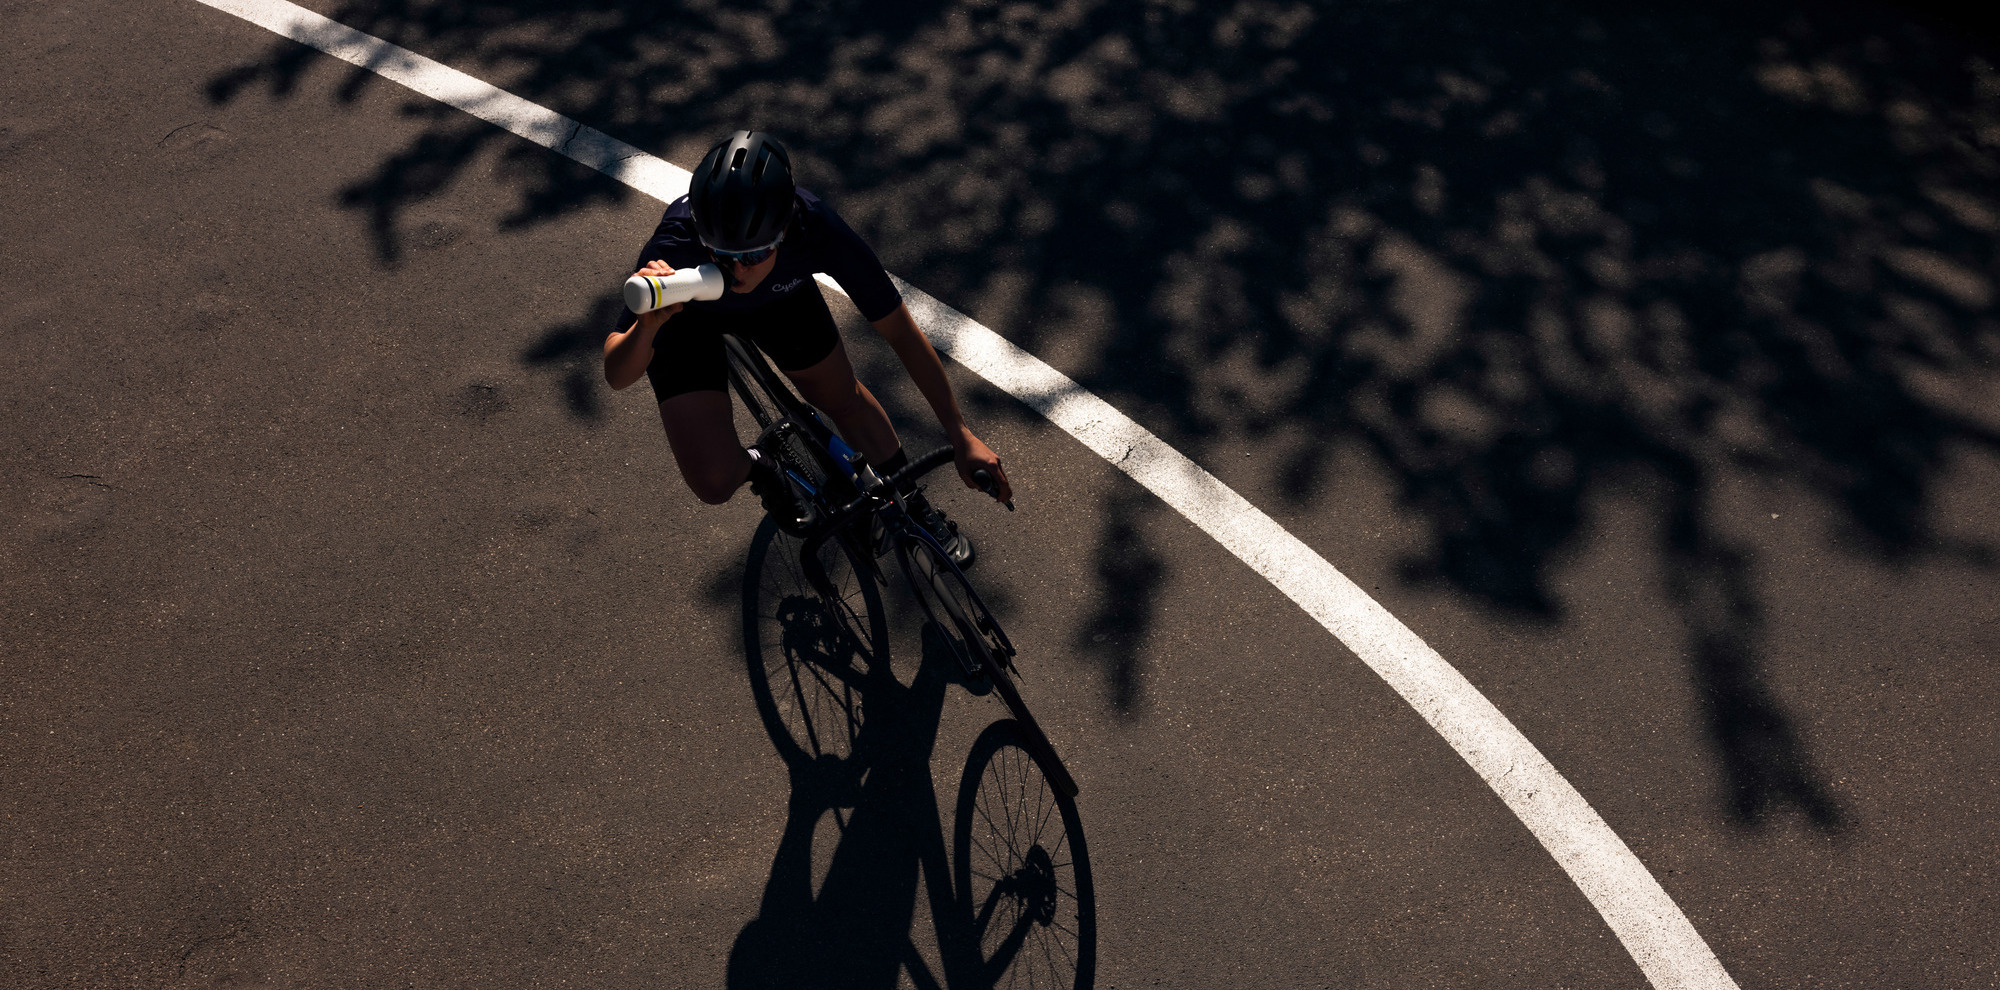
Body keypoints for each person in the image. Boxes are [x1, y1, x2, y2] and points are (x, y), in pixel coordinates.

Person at [603, 130, 1008, 565]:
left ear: (783, 231)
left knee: (842, 398)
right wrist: (647, 328)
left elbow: (901, 334)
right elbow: (616, 372)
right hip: (688, 317)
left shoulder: (815, 226)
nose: (737, 270)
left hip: (781, 299)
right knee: (714, 482)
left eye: (754, 254)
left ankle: (909, 501)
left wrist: (959, 433)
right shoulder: (678, 239)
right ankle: (764, 468)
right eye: (721, 253)